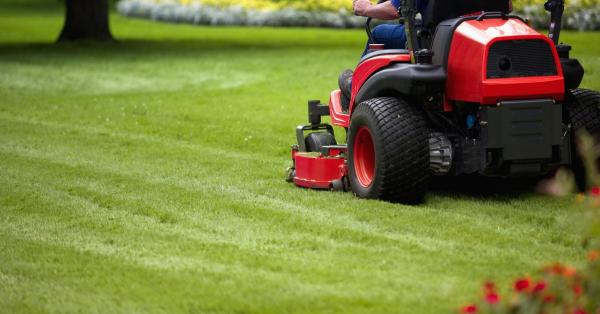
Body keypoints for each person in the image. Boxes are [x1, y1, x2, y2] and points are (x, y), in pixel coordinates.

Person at [339, 0, 429, 110]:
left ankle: (354, 86)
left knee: (379, 33)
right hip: (448, 37)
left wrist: (366, 9)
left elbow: (394, 9)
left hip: (427, 38)